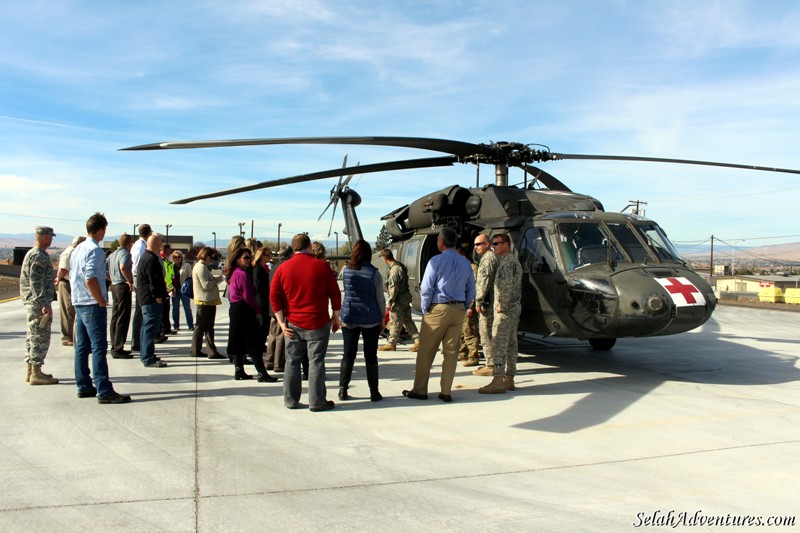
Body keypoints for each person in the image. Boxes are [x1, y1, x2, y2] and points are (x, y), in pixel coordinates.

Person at [402, 227, 475, 403]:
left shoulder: (436, 261)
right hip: (458, 309)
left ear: (441, 242)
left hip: (438, 308)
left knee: (426, 351)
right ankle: (446, 391)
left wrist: (426, 308)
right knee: (451, 352)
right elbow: (471, 289)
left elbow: (427, 287)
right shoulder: (465, 262)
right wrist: (464, 306)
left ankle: (420, 390)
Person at [270, 233, 341, 412]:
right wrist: (336, 317)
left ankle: (291, 400)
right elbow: (335, 293)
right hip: (318, 321)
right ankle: (317, 402)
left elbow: (274, 296)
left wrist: (281, 322)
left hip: (292, 322)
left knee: (292, 362)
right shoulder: (322, 267)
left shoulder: (282, 268)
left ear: (293, 248)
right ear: (309, 245)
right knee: (316, 361)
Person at [70, 212, 131, 403]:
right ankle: (104, 390)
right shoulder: (95, 250)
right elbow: (89, 278)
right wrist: (101, 300)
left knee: (82, 346)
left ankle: (83, 385)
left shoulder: (78, 248)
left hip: (79, 301)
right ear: (100, 230)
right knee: (98, 347)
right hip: (91, 303)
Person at [338, 240, 386, 402]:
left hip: (350, 315)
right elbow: (380, 299)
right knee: (370, 356)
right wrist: (382, 318)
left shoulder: (346, 270)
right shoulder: (374, 274)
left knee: (348, 355)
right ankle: (374, 392)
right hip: (370, 317)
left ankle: (342, 389)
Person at [478, 233, 523, 394]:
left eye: (496, 244)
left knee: (498, 343)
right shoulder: (512, 261)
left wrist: (501, 306)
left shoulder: (506, 263)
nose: (493, 246)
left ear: (506, 244)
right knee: (511, 344)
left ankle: (498, 380)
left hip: (505, 311)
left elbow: (506, 286)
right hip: (514, 308)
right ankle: (509, 378)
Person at [225, 247, 276, 382]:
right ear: (237, 259)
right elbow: (248, 296)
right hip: (244, 309)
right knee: (252, 343)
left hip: (236, 308)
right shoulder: (241, 274)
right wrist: (257, 310)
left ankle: (239, 370)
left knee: (239, 341)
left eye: (249, 257)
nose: (248, 260)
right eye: (245, 257)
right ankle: (261, 372)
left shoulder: (235, 273)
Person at [20, 226, 59, 385]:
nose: (51, 239)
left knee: (33, 335)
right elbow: (36, 282)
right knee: (39, 336)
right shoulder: (38, 255)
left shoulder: (34, 253)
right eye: (50, 236)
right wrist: (44, 303)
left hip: (34, 301)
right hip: (37, 303)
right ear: (43, 237)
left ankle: (32, 370)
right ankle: (35, 372)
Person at [136, 234, 169, 368]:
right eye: (161, 242)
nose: (162, 244)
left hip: (146, 298)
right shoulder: (151, 259)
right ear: (155, 243)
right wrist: (158, 297)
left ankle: (146, 354)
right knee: (150, 328)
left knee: (146, 328)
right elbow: (153, 281)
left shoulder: (146, 257)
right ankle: (148, 358)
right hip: (151, 299)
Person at [378, 248, 420, 352]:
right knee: (407, 320)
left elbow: (393, 287)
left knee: (394, 320)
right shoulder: (400, 266)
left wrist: (390, 301)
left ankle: (391, 343)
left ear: (384, 258)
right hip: (405, 298)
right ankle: (418, 340)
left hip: (399, 299)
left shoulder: (394, 270)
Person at [472, 232, 501, 377]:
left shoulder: (488, 259)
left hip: (487, 303)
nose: (475, 247)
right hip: (491, 301)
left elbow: (484, 282)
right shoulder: (491, 257)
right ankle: (491, 362)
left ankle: (491, 364)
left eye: (478, 244)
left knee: (486, 333)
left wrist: (479, 300)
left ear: (487, 244)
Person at [191, 247, 225, 359]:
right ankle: (197, 350)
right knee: (201, 327)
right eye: (210, 257)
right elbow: (205, 285)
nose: (211, 260)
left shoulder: (201, 267)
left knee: (208, 328)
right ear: (206, 256)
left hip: (207, 301)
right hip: (204, 301)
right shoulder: (200, 267)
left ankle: (210, 351)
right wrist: (217, 280)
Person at [54, 235, 86, 346]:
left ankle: (72, 335)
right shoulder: (70, 252)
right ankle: (67, 336)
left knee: (71, 309)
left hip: (70, 282)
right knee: (68, 309)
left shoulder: (74, 251)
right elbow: (63, 269)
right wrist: (58, 279)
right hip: (66, 282)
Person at [267, 245, 293, 373]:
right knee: (281, 335)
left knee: (272, 334)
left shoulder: (274, 268)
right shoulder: (285, 268)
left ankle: (270, 360)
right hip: (281, 306)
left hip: (272, 306)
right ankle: (279, 363)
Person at [108, 233, 134, 358]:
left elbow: (105, 269)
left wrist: (112, 278)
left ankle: (114, 343)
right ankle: (118, 347)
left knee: (115, 315)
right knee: (123, 317)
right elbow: (123, 266)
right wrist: (129, 280)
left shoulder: (112, 254)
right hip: (122, 285)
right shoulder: (125, 254)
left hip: (113, 285)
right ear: (129, 243)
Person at [457, 246, 480, 366]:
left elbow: (473, 289)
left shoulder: (472, 269)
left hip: (468, 305)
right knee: (461, 331)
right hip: (460, 305)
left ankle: (473, 355)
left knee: (470, 331)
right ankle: (462, 353)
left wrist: (470, 307)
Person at [130, 224, 152, 352]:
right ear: (149, 233)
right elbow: (139, 265)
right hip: (140, 279)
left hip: (140, 278)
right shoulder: (140, 246)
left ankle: (139, 340)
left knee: (142, 310)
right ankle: (137, 341)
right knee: (140, 309)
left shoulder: (140, 245)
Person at [252, 246, 273, 366]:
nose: (270, 256)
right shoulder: (258, 269)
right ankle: (257, 354)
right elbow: (258, 288)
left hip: (265, 302)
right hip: (262, 303)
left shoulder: (264, 268)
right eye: (267, 254)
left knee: (265, 329)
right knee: (261, 329)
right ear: (261, 256)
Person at [171, 250, 193, 331]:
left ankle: (190, 325)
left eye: (179, 257)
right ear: (173, 258)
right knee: (175, 308)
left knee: (187, 308)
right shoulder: (171, 266)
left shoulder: (186, 265)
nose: (177, 259)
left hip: (184, 290)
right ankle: (176, 325)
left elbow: (190, 277)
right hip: (175, 290)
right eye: (175, 257)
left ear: (181, 257)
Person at [160, 243, 177, 336]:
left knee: (167, 309)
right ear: (165, 249)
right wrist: (170, 288)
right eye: (169, 250)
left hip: (168, 287)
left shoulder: (166, 260)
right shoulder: (163, 260)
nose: (170, 252)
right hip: (165, 288)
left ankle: (167, 328)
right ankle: (164, 329)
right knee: (164, 309)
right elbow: (166, 277)